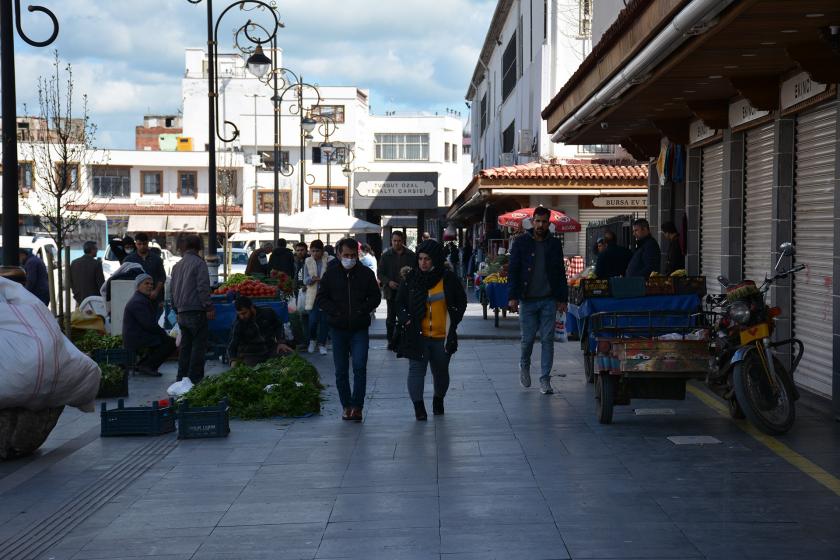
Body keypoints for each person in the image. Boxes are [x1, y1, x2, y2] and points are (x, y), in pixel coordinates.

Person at [396, 239, 467, 420]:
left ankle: (438, 399)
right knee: (416, 371)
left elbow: (461, 301)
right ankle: (419, 407)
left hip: (442, 336)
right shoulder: (410, 279)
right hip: (417, 335)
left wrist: (454, 319)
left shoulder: (448, 278)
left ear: (435, 259)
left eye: (427, 259)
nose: (423, 263)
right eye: (420, 259)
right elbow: (399, 303)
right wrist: (406, 320)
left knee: (441, 372)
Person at [315, 238, 381, 422]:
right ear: (339, 254)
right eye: (346, 255)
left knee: (359, 367)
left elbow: (375, 297)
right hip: (338, 329)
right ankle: (346, 406)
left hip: (359, 328)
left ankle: (357, 407)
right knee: (341, 370)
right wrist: (335, 312)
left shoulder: (366, 274)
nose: (349, 259)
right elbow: (321, 298)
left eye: (353, 256)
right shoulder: (331, 274)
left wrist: (362, 310)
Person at [507, 206, 569, 395]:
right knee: (527, 340)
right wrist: (512, 297)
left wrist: (562, 298)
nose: (540, 225)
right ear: (532, 222)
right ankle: (524, 365)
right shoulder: (521, 243)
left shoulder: (554, 244)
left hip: (548, 299)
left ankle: (545, 379)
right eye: (537, 221)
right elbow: (514, 270)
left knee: (547, 340)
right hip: (528, 300)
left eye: (544, 222)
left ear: (549, 223)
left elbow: (560, 272)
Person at [170, 235, 214, 384]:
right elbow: (202, 287)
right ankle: (194, 379)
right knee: (198, 347)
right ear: (199, 247)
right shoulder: (199, 264)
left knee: (185, 347)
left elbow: (172, 290)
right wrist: (208, 306)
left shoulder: (177, 266)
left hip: (182, 312)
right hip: (196, 310)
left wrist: (176, 309)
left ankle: (181, 379)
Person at [122, 274, 176, 376]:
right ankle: (147, 366)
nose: (150, 286)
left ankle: (143, 364)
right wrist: (164, 333)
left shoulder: (142, 299)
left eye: (151, 284)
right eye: (146, 283)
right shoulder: (138, 301)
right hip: (136, 337)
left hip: (139, 334)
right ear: (138, 286)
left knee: (164, 339)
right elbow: (149, 324)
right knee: (170, 342)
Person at [228, 296, 293, 366]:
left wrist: (281, 342)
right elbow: (232, 345)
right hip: (252, 354)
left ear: (251, 307)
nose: (242, 316)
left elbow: (278, 326)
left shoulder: (267, 313)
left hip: (270, 348)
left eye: (244, 313)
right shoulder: (238, 324)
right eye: (239, 314)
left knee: (290, 356)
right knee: (249, 369)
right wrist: (232, 360)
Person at [378, 231, 415, 351]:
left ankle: (405, 340)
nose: (396, 243)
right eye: (394, 241)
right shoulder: (386, 255)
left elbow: (415, 272)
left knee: (405, 317)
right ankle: (391, 341)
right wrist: (388, 282)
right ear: (391, 241)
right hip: (391, 291)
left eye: (399, 241)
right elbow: (380, 273)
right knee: (391, 318)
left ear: (403, 241)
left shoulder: (411, 255)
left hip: (407, 292)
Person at [304, 240, 333, 355]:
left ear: (322, 251)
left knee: (325, 321)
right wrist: (312, 279)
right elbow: (305, 279)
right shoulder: (308, 261)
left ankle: (322, 344)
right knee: (313, 321)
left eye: (317, 251)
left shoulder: (329, 260)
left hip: (326, 295)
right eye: (313, 251)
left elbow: (333, 277)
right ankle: (312, 340)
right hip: (313, 296)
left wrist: (324, 280)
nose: (315, 253)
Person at [125, 232, 166, 306]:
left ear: (147, 243)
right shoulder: (129, 260)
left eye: (144, 244)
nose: (142, 246)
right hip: (135, 299)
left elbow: (162, 277)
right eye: (139, 244)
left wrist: (156, 291)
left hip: (154, 298)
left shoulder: (156, 259)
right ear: (136, 244)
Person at [69, 240, 105, 305]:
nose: (97, 250)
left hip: (79, 298)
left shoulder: (74, 263)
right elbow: (101, 283)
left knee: (79, 314)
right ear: (92, 250)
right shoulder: (96, 263)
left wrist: (76, 293)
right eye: (96, 249)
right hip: (93, 300)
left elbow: (70, 280)